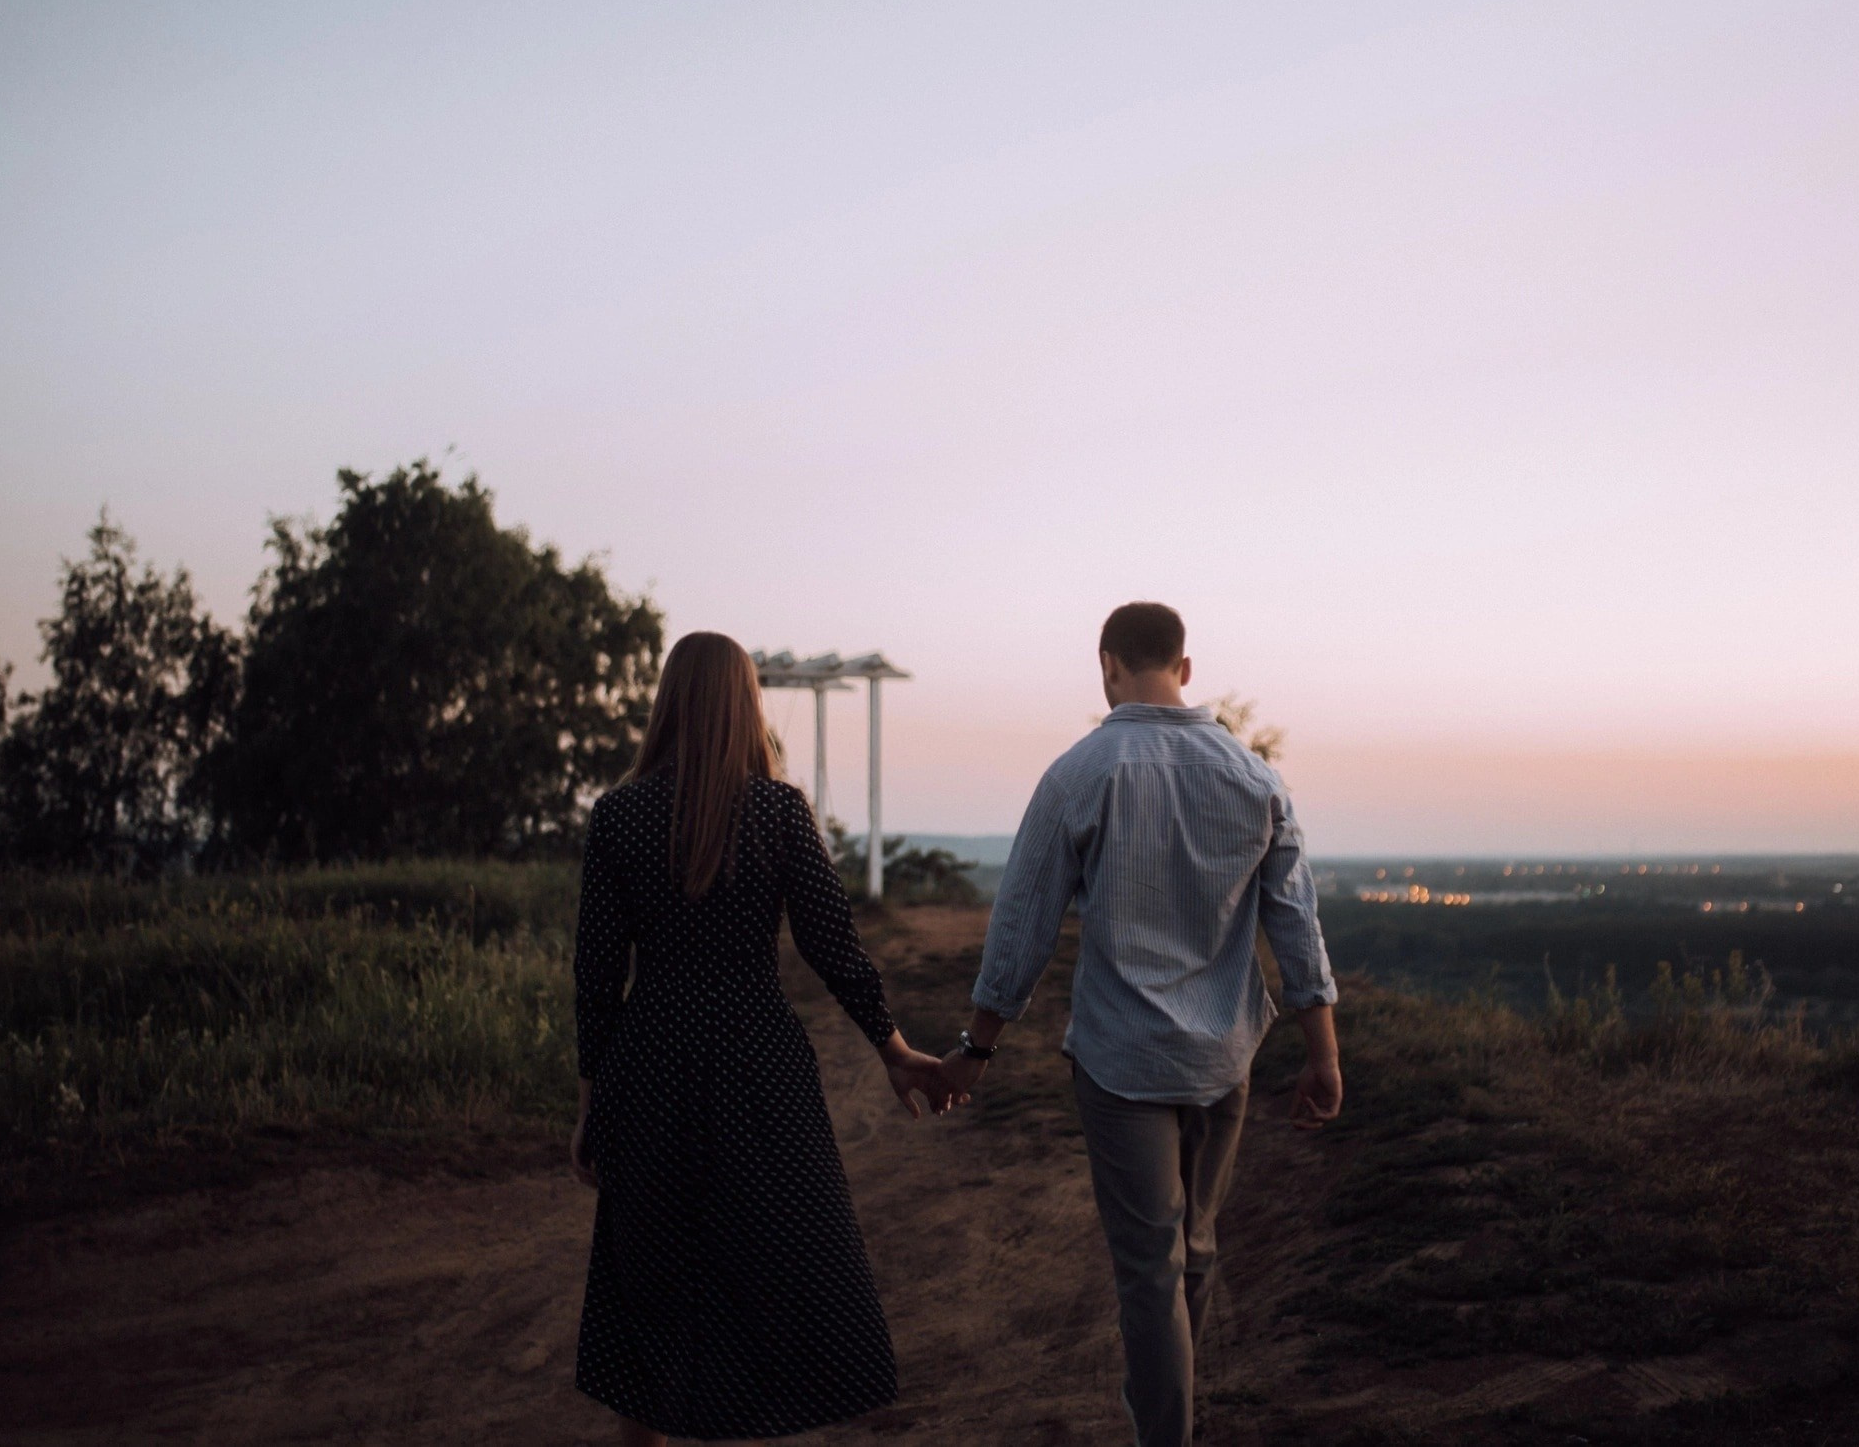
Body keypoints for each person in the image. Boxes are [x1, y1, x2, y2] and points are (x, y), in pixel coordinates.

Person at [939, 602, 1343, 1447]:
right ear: (1185, 667)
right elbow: (1296, 924)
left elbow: (1023, 924)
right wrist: (1322, 1054)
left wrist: (979, 1047)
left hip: (1122, 1062)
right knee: (1192, 1248)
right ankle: (1175, 1421)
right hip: (1223, 1057)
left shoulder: (1081, 772)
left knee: (1151, 1271)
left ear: (1107, 665)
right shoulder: (1255, 776)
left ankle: (1166, 1435)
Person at [569, 631, 956, 1447]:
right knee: (774, 1272)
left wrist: (591, 1103)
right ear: (747, 704)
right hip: (758, 1064)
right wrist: (892, 1049)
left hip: (650, 1062)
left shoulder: (617, 815)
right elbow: (834, 946)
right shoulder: (777, 811)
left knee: (654, 1282)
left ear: (667, 703)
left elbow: (596, 977)